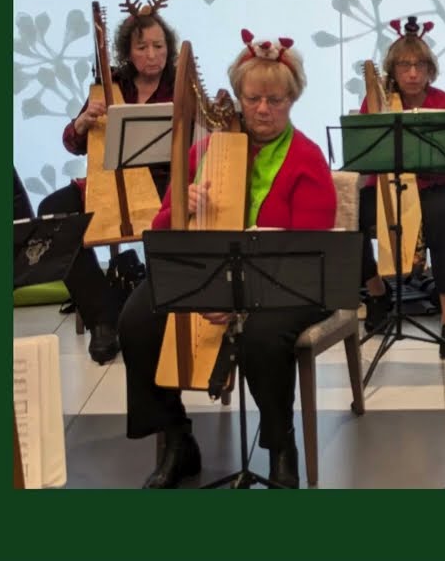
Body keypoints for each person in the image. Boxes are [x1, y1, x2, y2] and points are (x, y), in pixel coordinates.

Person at [118, 31, 338, 489]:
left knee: (261, 335)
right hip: (211, 273)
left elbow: (308, 255)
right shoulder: (207, 150)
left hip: (286, 283)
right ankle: (177, 437)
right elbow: (160, 231)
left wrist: (241, 303)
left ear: (292, 99)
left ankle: (281, 449)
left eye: (274, 99)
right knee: (136, 318)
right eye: (252, 98)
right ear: (237, 97)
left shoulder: (307, 159)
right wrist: (184, 204)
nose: (262, 109)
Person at [34, 0, 178, 364]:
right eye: (142, 46)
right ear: (127, 52)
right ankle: (104, 314)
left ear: (169, 48)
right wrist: (83, 123)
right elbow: (74, 144)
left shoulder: (180, 86)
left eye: (159, 46)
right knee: (52, 212)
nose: (152, 54)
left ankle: (158, 311)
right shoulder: (109, 86)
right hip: (112, 180)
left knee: (172, 210)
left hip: (164, 181)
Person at [358, 16, 445, 358]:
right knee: (354, 217)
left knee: (438, 216)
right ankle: (377, 294)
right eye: (405, 65)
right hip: (387, 189)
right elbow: (365, 158)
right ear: (393, 69)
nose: (413, 73)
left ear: (430, 69)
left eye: (420, 65)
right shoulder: (375, 101)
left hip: (435, 188)